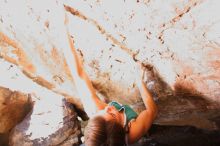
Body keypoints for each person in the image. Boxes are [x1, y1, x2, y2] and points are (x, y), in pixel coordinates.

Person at [67, 34, 158, 146]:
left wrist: (63, 31)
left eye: (101, 113)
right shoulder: (133, 132)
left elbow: (78, 74)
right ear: (121, 128)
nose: (108, 107)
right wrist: (140, 81)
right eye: (112, 115)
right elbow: (152, 111)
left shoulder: (96, 111)